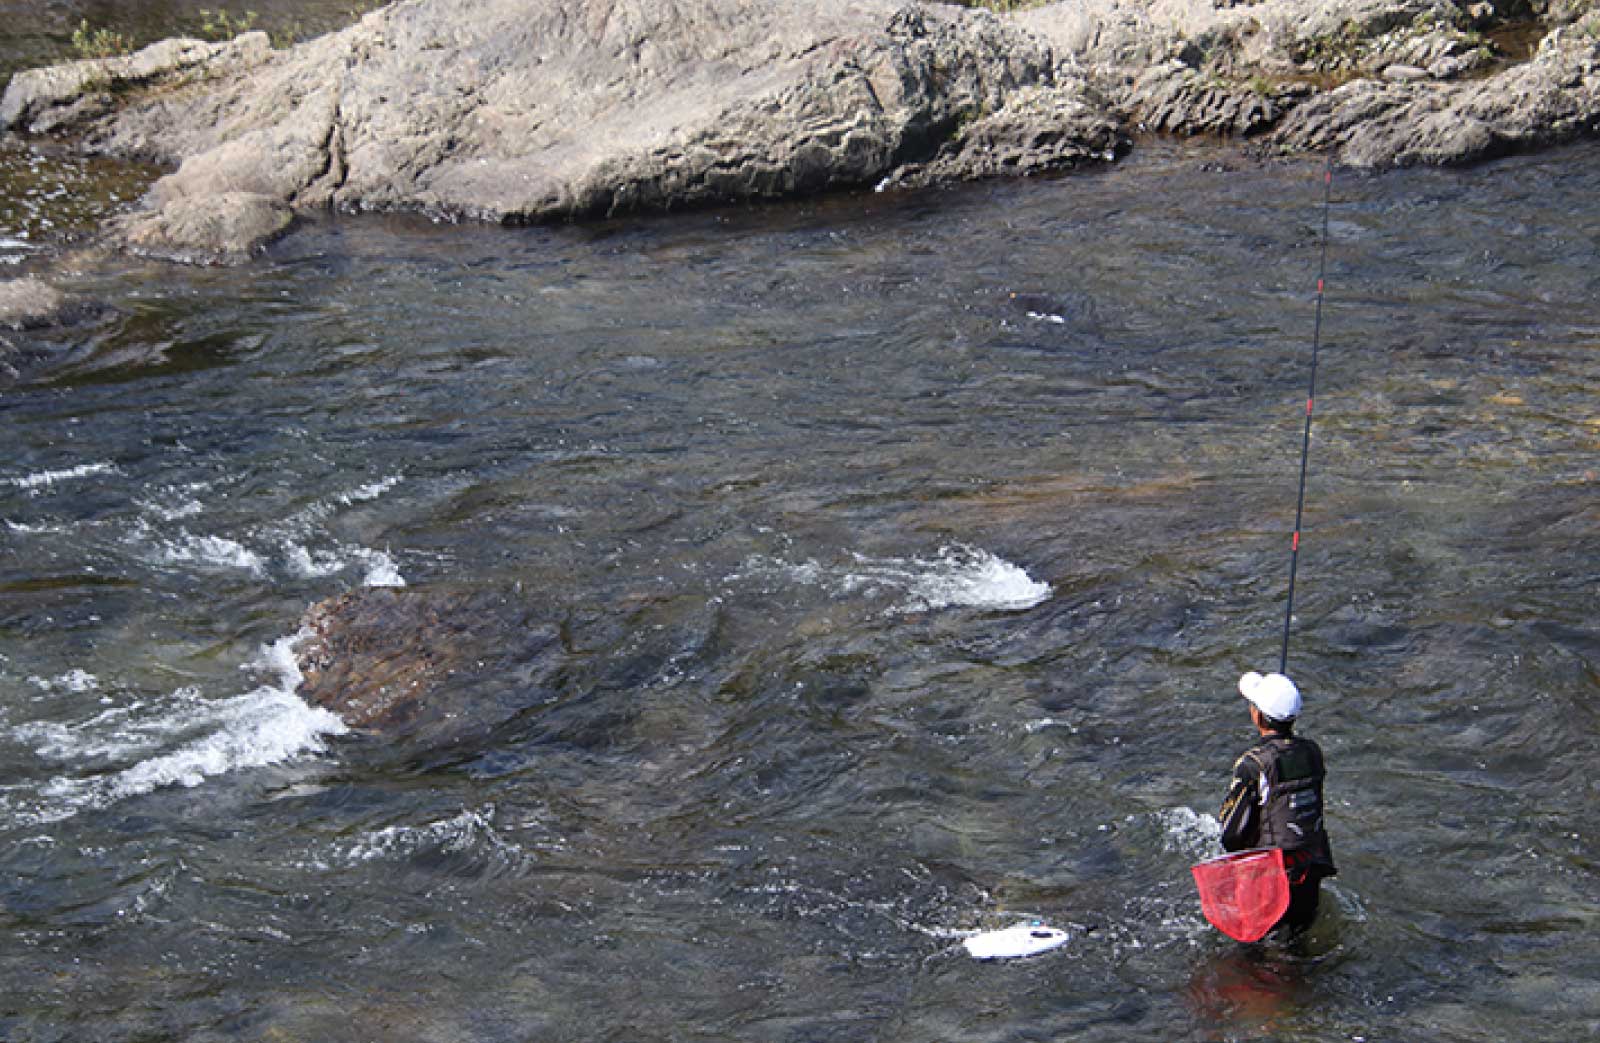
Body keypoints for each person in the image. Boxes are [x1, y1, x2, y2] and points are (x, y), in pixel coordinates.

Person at [1218, 670, 1337, 933]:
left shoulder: (1253, 764)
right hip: (1310, 870)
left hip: (1271, 878)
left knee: (1263, 953)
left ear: (1257, 716)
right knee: (1298, 944)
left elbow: (1231, 834)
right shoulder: (1312, 752)